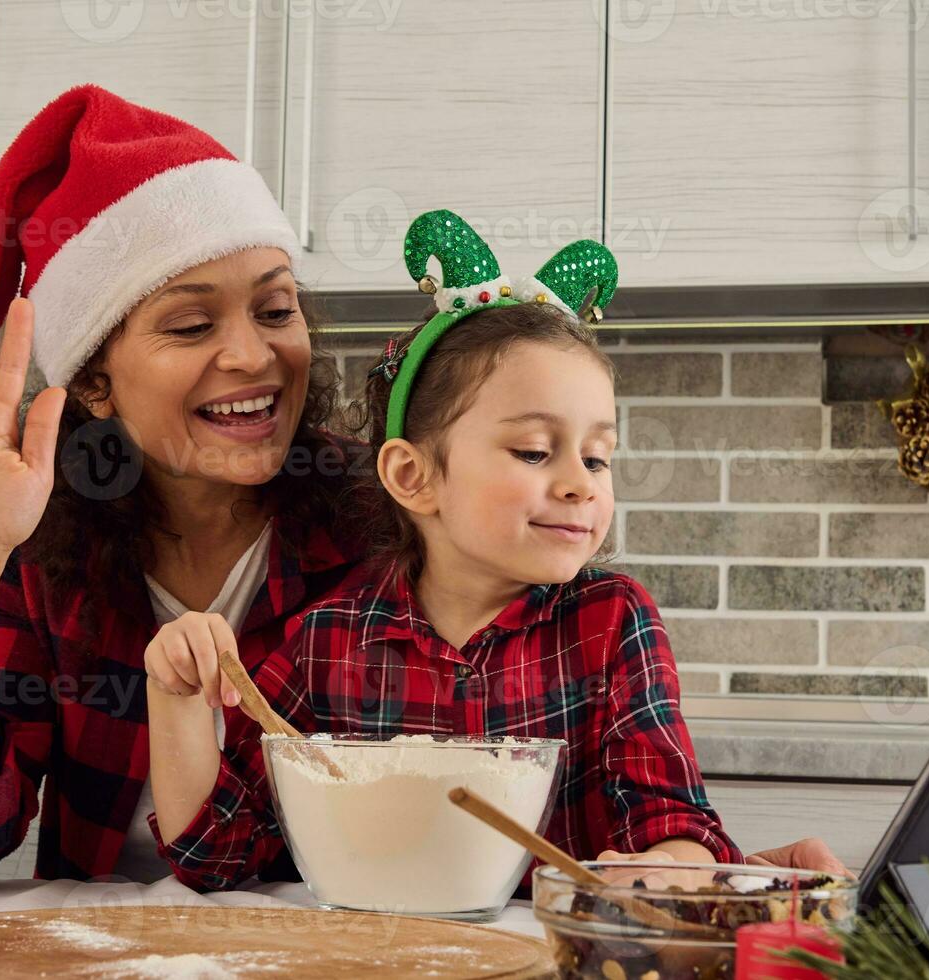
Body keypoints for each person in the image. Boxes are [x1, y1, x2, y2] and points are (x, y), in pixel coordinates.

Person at [147, 212, 826, 892]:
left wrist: (669, 872)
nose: (577, 486)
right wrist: (174, 696)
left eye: (597, 458)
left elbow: (667, 822)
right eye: (533, 451)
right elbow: (217, 856)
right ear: (414, 476)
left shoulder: (610, 623)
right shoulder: (327, 642)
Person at [0, 85, 369, 887]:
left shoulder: (383, 522)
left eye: (276, 309)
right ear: (95, 383)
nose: (253, 355)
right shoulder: (39, 538)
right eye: (192, 325)